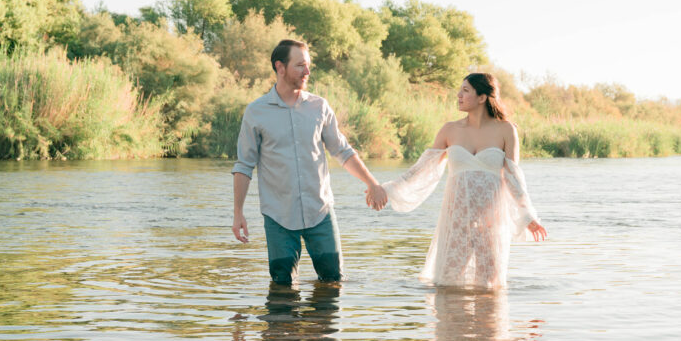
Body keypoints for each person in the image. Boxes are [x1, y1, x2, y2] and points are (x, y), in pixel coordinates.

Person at [369, 72, 547, 287]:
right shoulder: (450, 130)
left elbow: (514, 178)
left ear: (482, 97)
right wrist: (387, 189)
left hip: (491, 220)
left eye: (465, 90)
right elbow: (422, 169)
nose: (458, 95)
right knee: (449, 285)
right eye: (460, 90)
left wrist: (527, 215)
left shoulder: (506, 130)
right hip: (456, 219)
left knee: (489, 288)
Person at [231, 39, 387, 284]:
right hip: (278, 216)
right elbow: (244, 166)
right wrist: (238, 212)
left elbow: (342, 151)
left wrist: (372, 183)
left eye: (308, 65)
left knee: (333, 281)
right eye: (300, 65)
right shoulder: (256, 112)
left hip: (320, 212)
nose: (307, 71)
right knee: (282, 287)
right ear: (280, 67)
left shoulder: (319, 107)